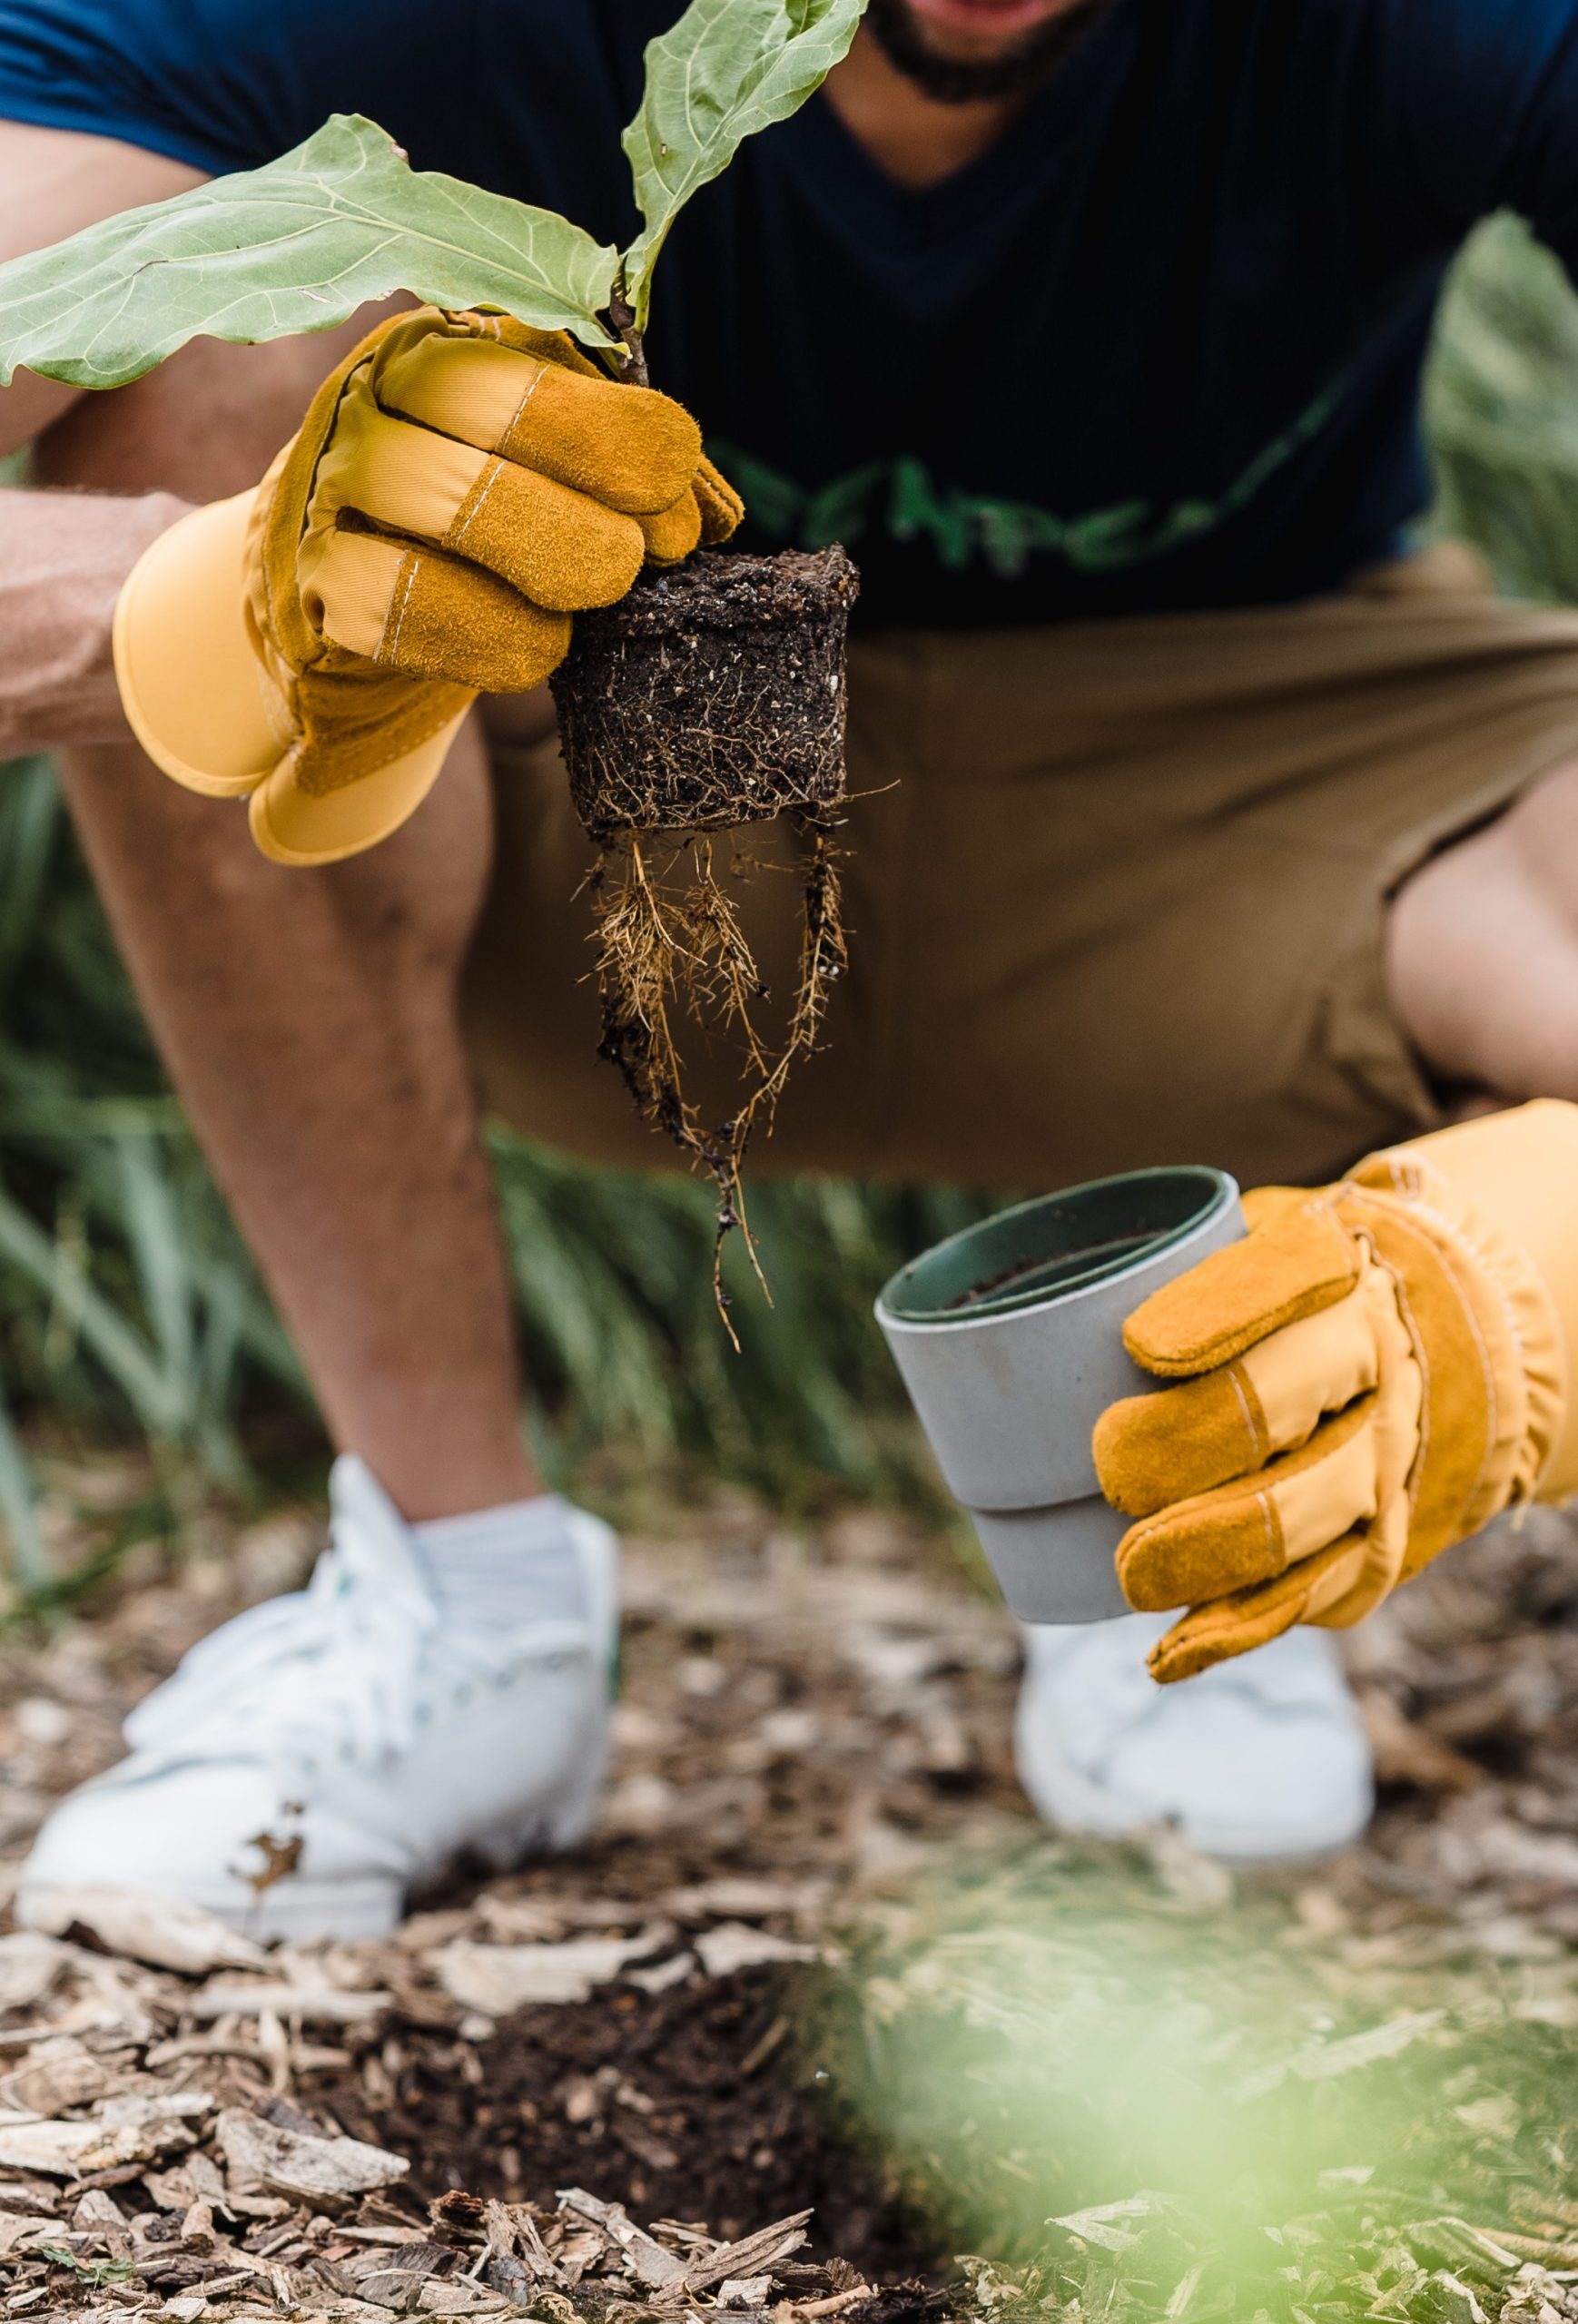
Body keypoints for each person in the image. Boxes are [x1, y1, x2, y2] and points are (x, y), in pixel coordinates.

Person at [5, 0, 1578, 1938]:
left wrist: (1536, 1267)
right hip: (614, 794)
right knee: (200, 362)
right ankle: (461, 1591)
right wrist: (194, 599)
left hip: (1254, 788)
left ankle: (1182, 1508)